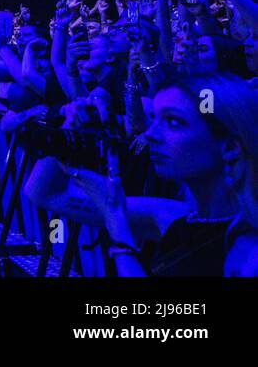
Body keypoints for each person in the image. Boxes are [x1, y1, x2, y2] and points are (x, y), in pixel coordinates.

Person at [25, 73, 258, 276]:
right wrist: (69, 129)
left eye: (174, 122)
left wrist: (118, 225)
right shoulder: (173, 217)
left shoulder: (249, 251)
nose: (150, 135)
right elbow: (45, 193)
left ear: (229, 147)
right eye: (155, 119)